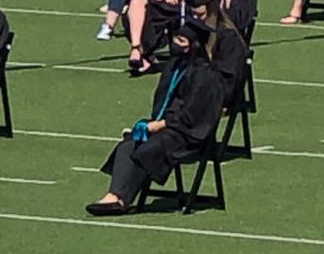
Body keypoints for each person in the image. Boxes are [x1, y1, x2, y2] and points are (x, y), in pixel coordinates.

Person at [85, 21, 224, 215]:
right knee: (129, 143)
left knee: (151, 147)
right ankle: (113, 195)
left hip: (188, 133)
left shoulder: (205, 75)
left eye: (181, 40)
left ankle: (123, 199)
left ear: (194, 45)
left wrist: (161, 124)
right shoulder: (175, 66)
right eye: (175, 38)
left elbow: (194, 114)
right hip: (166, 126)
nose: (175, 43)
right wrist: (150, 123)